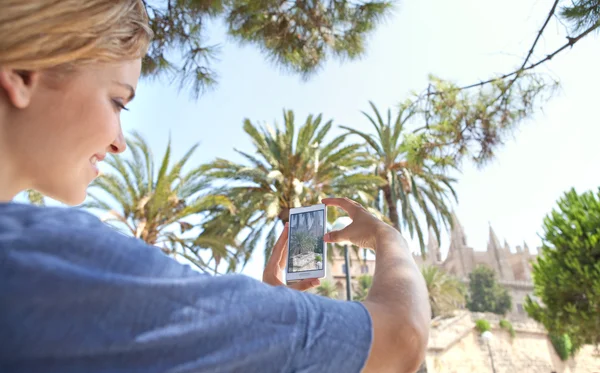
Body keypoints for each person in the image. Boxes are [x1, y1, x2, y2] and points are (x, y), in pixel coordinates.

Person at [0, 1, 430, 372]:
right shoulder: (54, 265)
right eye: (117, 100)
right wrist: (387, 238)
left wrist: (267, 329)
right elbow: (401, 338)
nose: (119, 142)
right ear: (23, 72)